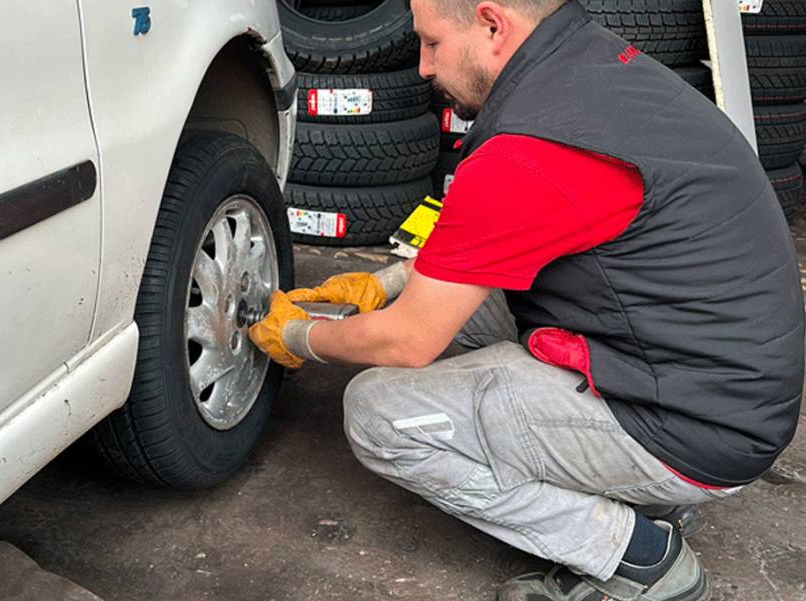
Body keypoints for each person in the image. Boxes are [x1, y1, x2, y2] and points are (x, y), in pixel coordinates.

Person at [249, 0, 805, 599]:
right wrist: (383, 284)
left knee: (380, 413)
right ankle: (633, 487)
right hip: (717, 372)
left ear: (493, 25)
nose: (422, 69)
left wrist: (302, 337)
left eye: (432, 43)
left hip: (695, 428)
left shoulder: (532, 149)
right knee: (464, 314)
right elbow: (503, 236)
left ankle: (639, 556)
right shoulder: (587, 65)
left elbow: (408, 343)